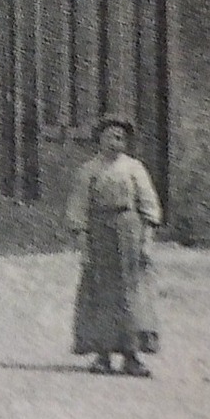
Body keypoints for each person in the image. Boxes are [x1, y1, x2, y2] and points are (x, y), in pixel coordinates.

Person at [65, 116, 163, 377]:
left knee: (131, 292)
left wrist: (147, 242)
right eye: (110, 136)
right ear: (99, 139)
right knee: (101, 291)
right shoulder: (88, 170)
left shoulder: (134, 169)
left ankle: (132, 355)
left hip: (129, 231)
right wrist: (83, 245)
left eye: (120, 137)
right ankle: (103, 355)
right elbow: (78, 211)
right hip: (100, 234)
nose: (115, 141)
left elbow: (149, 205)